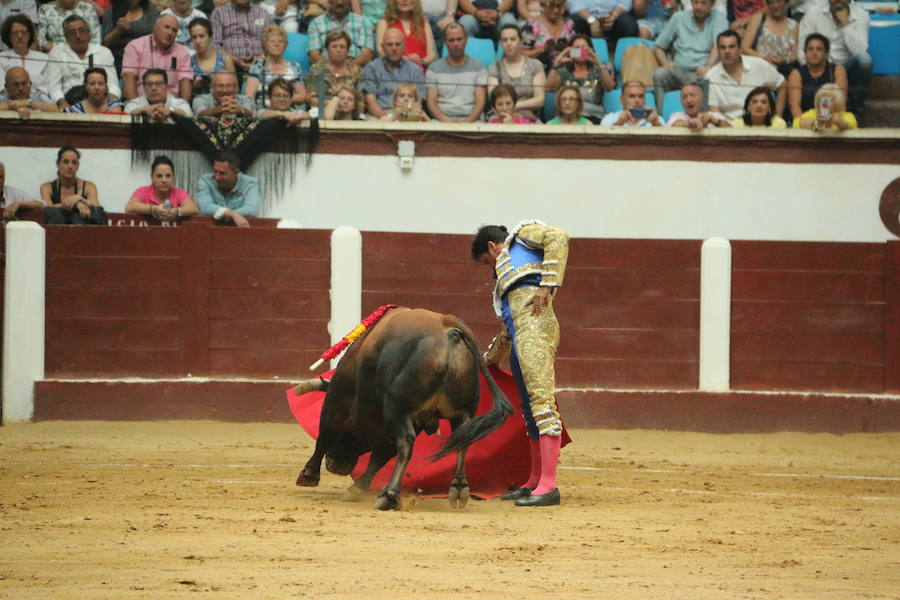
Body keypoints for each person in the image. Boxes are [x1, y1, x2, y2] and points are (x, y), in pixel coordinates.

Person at [471, 220, 570, 507]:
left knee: (541, 403)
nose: (490, 268)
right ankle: (534, 481)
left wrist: (546, 286)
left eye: (485, 260)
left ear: (491, 246)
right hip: (520, 336)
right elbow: (509, 325)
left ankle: (549, 486)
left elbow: (558, 235)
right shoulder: (507, 280)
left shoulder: (522, 237)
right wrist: (488, 359)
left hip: (537, 330)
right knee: (529, 409)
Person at [651, 0, 727, 114]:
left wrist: (708, 67)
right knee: (660, 74)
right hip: (679, 71)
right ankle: (661, 118)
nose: (698, 7)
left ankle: (704, 121)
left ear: (712, 4)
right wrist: (666, 63)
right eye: (695, 2)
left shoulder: (720, 19)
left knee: (710, 77)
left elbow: (718, 46)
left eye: (703, 3)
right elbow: (658, 47)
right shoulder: (679, 17)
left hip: (701, 72)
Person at [798, 0, 869, 117]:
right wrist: (819, 68)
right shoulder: (814, 12)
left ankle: (855, 112)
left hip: (846, 67)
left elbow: (860, 51)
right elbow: (802, 51)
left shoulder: (862, 15)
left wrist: (844, 24)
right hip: (820, 67)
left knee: (864, 60)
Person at [706, 29, 784, 120]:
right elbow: (715, 113)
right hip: (728, 127)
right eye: (723, 47)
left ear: (739, 49)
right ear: (718, 51)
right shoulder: (711, 76)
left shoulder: (758, 65)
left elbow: (782, 83)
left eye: (732, 47)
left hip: (760, 124)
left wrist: (778, 115)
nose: (727, 51)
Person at [46, 14, 119, 109]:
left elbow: (113, 85)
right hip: (69, 103)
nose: (78, 36)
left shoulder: (103, 52)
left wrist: (108, 104)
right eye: (72, 32)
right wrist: (64, 106)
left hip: (100, 104)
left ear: (89, 33)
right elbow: (54, 87)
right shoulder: (57, 52)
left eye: (81, 30)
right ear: (66, 37)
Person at [121, 14, 192, 101]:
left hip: (171, 106)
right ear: (155, 27)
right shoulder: (135, 46)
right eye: (166, 27)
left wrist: (183, 108)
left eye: (174, 30)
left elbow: (185, 81)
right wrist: (135, 106)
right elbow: (129, 76)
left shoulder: (182, 52)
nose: (170, 33)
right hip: (142, 102)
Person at [426, 23, 487, 123]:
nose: (456, 44)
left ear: (466, 40)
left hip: (472, 120)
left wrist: (467, 122)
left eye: (459, 39)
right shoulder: (434, 68)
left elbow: (480, 103)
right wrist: (446, 121)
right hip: (441, 120)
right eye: (451, 40)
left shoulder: (479, 67)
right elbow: (431, 103)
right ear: (445, 42)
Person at [547, 33, 613, 122]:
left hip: (593, 117)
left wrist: (598, 63)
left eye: (584, 48)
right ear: (570, 52)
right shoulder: (563, 70)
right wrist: (557, 63)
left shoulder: (600, 69)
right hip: (567, 118)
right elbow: (549, 88)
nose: (580, 51)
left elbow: (609, 87)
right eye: (576, 49)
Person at [362, 27, 425, 118]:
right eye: (389, 44)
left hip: (407, 116)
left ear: (405, 46)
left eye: (398, 44)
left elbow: (418, 102)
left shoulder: (415, 70)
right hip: (379, 116)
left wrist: (402, 119)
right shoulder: (371, 68)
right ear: (382, 47)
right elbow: (370, 102)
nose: (394, 48)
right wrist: (388, 120)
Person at [487, 24, 545, 120]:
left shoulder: (535, 65)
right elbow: (494, 100)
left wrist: (512, 106)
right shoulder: (494, 68)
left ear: (521, 41)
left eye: (513, 39)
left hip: (529, 118)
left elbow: (540, 100)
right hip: (501, 116)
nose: (509, 43)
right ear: (501, 43)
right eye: (505, 40)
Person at [786, 32, 847, 122]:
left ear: (826, 53)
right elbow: (795, 106)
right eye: (810, 49)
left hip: (832, 122)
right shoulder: (796, 74)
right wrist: (806, 126)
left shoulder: (838, 70)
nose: (814, 53)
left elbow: (840, 103)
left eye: (819, 49)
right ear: (805, 52)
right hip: (805, 123)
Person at [244, 24, 307, 110]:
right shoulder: (257, 67)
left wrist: (280, 102)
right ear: (265, 45)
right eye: (272, 41)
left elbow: (302, 96)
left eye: (280, 41)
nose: (276, 44)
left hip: (290, 113)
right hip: (264, 114)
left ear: (285, 45)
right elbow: (249, 96)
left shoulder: (295, 66)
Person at [40, 146, 106, 225]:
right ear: (57, 164)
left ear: (78, 166)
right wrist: (76, 204)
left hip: (83, 232)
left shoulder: (89, 186)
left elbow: (96, 208)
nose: (70, 166)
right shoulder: (47, 187)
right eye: (66, 162)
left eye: (74, 162)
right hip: (57, 232)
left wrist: (80, 199)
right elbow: (47, 209)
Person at [125, 155, 200, 222]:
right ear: (152, 177)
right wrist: (153, 209)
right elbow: (129, 207)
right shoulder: (143, 191)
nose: (164, 180)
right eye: (159, 176)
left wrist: (176, 211)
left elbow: (194, 208)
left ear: (174, 178)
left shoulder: (179, 193)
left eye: (168, 176)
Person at [195, 152, 259, 228]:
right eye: (215, 171)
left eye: (222, 173)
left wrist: (223, 213)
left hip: (240, 232)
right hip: (210, 231)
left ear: (236, 172)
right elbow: (205, 207)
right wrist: (232, 214)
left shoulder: (250, 184)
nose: (217, 177)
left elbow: (251, 209)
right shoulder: (205, 181)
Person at [304, 29, 362, 109]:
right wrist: (333, 105)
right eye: (334, 46)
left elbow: (361, 100)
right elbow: (311, 99)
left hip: (349, 115)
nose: (338, 50)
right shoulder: (316, 69)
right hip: (323, 113)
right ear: (327, 49)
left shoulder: (357, 71)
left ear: (348, 50)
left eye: (342, 47)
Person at [211, 0, 274, 73]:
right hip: (230, 66)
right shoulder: (219, 13)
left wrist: (262, 56)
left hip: (261, 65)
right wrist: (233, 59)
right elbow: (215, 45)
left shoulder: (262, 12)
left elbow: (274, 37)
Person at [307, 0, 374, 67]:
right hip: (326, 70)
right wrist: (333, 69)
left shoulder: (363, 22)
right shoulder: (316, 23)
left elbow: (367, 56)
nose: (340, 2)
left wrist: (346, 69)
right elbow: (314, 56)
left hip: (355, 70)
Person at [741, 0, 797, 77]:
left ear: (786, 3)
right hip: (758, 69)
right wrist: (764, 58)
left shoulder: (794, 25)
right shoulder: (758, 19)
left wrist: (784, 60)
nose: (775, 5)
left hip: (783, 72)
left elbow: (794, 56)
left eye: (779, 1)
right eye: (771, 2)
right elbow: (744, 48)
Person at [101, 0, 159, 72]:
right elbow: (107, 43)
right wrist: (118, 30)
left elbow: (156, 37)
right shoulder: (111, 11)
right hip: (119, 57)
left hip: (145, 56)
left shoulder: (150, 9)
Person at [376, 0, 436, 69]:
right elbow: (381, 51)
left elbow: (431, 55)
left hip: (420, 72)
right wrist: (407, 60)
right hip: (393, 72)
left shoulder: (424, 24)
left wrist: (420, 62)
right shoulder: (384, 23)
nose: (404, 1)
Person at [0, 15, 50, 95]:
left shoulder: (44, 58)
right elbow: (1, 87)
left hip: (38, 100)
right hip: (9, 100)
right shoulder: (1, 58)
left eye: (23, 32)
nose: (20, 36)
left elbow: (48, 84)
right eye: (15, 33)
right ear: (8, 36)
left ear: (30, 35)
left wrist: (32, 100)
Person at [521, 0, 575, 72]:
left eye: (559, 6)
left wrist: (567, 51)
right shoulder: (532, 25)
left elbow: (583, 53)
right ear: (543, 5)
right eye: (551, 5)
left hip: (566, 72)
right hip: (538, 72)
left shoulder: (570, 25)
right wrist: (542, 50)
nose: (556, 10)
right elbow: (521, 54)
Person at [188, 17, 235, 97]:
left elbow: (235, 88)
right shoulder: (189, 62)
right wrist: (193, 86)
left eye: (202, 36)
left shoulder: (225, 59)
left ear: (210, 37)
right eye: (194, 37)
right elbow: (185, 92)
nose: (198, 41)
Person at [125, 67, 192, 119]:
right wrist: (144, 110)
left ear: (166, 86)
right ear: (144, 87)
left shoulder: (179, 103)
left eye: (158, 84)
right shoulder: (135, 103)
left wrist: (170, 111)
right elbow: (127, 113)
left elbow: (187, 113)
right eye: (149, 84)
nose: (153, 88)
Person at [568, 0, 638, 47]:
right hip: (586, 18)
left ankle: (623, 60)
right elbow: (574, 5)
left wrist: (614, 15)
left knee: (629, 23)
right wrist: (592, 21)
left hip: (612, 16)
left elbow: (625, 3)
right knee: (571, 23)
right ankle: (579, 59)